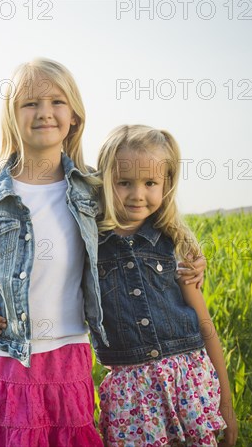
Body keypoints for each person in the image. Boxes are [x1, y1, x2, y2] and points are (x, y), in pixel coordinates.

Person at [0, 58, 109, 446]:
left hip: (67, 356)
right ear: (12, 116)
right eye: (30, 103)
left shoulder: (93, 192)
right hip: (3, 360)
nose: (44, 113)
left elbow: (142, 237)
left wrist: (188, 250)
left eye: (57, 102)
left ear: (74, 116)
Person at [93, 125, 238, 446]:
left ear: (167, 184)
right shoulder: (89, 247)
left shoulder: (175, 245)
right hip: (132, 393)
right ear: (104, 181)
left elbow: (204, 324)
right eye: (123, 182)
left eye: (150, 183)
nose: (137, 194)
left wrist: (226, 404)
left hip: (189, 382)